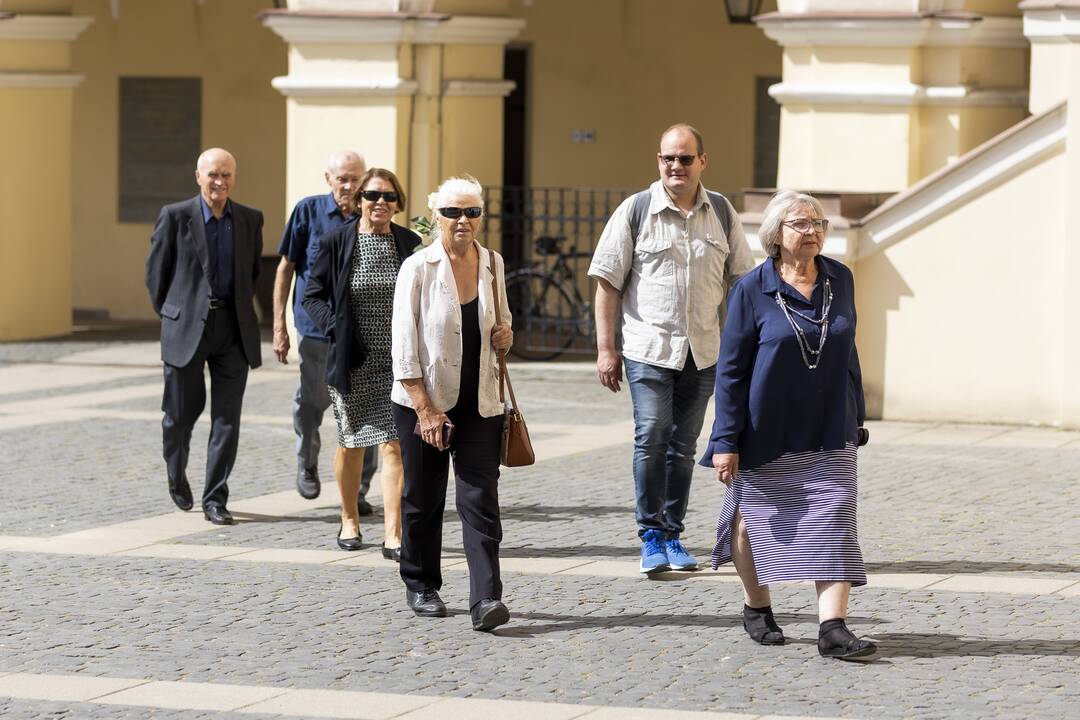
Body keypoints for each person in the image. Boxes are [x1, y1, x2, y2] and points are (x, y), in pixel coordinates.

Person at [701, 189, 876, 660]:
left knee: (835, 517)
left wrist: (854, 413)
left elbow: (848, 351)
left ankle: (833, 628)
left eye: (818, 222)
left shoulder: (841, 278)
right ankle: (756, 605)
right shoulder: (751, 290)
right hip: (765, 427)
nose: (813, 230)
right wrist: (725, 439)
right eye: (801, 223)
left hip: (828, 424)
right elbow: (731, 369)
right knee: (749, 524)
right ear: (776, 235)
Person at [588, 124, 756, 574]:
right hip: (648, 348)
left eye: (685, 159)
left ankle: (673, 534)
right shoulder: (636, 210)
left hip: (702, 352)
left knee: (682, 446)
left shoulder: (721, 211)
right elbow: (606, 281)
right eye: (668, 159)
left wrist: (745, 346)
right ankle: (650, 534)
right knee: (651, 436)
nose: (676, 167)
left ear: (703, 161)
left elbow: (743, 279)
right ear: (658, 160)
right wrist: (607, 349)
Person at [390, 175, 514, 632]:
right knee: (423, 497)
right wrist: (424, 409)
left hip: (480, 400)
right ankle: (421, 582)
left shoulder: (493, 263)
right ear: (437, 215)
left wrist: (506, 335)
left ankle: (486, 598)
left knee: (480, 498)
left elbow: (503, 324)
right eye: (452, 212)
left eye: (472, 212)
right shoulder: (418, 268)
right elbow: (403, 345)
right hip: (424, 399)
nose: (463, 221)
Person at [302, 168, 418, 558]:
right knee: (352, 443)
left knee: (395, 445)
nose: (379, 203)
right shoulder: (337, 241)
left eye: (387, 196)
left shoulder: (410, 242)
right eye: (372, 196)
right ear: (359, 201)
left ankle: (393, 533)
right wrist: (336, 329)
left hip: (399, 359)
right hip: (353, 358)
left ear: (398, 203)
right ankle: (349, 517)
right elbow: (312, 295)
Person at [145, 148, 263, 526]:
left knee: (227, 419)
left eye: (227, 174)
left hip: (233, 329)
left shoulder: (248, 219)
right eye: (213, 174)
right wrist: (175, 313)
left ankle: (216, 498)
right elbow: (156, 277)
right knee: (179, 416)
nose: (220, 182)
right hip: (185, 329)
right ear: (198, 176)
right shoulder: (175, 217)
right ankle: (176, 472)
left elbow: (251, 274)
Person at [273, 151, 379, 515]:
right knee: (314, 401)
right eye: (342, 179)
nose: (349, 186)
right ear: (328, 179)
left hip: (364, 331)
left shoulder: (373, 213)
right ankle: (307, 459)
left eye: (355, 179)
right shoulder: (307, 211)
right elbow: (286, 269)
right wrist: (279, 326)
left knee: (368, 409)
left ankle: (360, 489)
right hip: (316, 329)